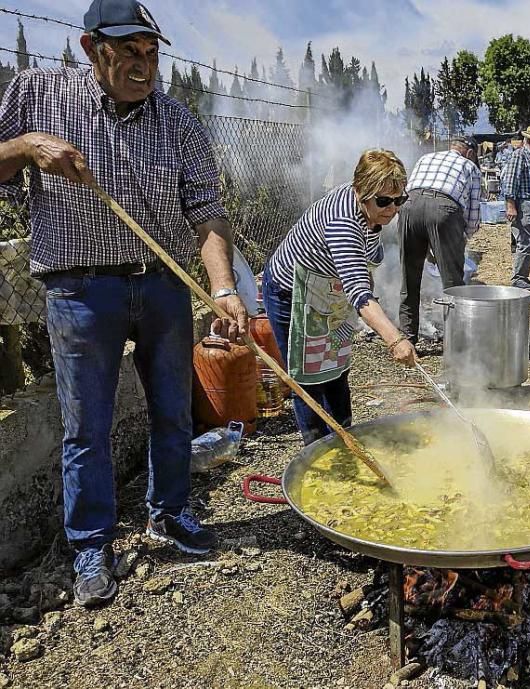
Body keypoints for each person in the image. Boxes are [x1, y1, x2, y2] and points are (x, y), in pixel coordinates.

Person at [0, 0, 249, 607]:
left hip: (162, 284)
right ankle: (91, 544)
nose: (144, 65)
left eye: (152, 53)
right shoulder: (39, 94)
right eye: (129, 51)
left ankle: (171, 512)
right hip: (81, 291)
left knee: (174, 410)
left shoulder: (178, 121)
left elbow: (208, 212)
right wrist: (27, 147)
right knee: (87, 426)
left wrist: (222, 287)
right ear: (93, 49)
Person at [263, 150, 417, 446]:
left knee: (335, 368)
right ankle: (318, 451)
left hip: (328, 290)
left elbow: (362, 267)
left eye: (399, 200)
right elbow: (358, 291)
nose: (392, 209)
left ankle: (345, 441)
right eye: (384, 201)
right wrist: (395, 339)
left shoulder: (370, 207)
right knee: (308, 379)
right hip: (292, 293)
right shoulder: (342, 222)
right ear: (360, 192)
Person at [397, 137, 481, 343]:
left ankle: (408, 339)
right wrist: (460, 241)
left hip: (409, 208)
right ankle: (457, 343)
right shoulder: (470, 166)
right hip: (444, 210)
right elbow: (473, 217)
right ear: (470, 153)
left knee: (409, 280)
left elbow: (408, 191)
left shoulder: (426, 157)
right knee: (453, 285)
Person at [500, 124, 530, 290]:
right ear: (529, 141)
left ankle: (523, 277)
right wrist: (510, 205)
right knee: (525, 242)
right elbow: (511, 181)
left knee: (529, 242)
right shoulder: (519, 155)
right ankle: (518, 278)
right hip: (524, 204)